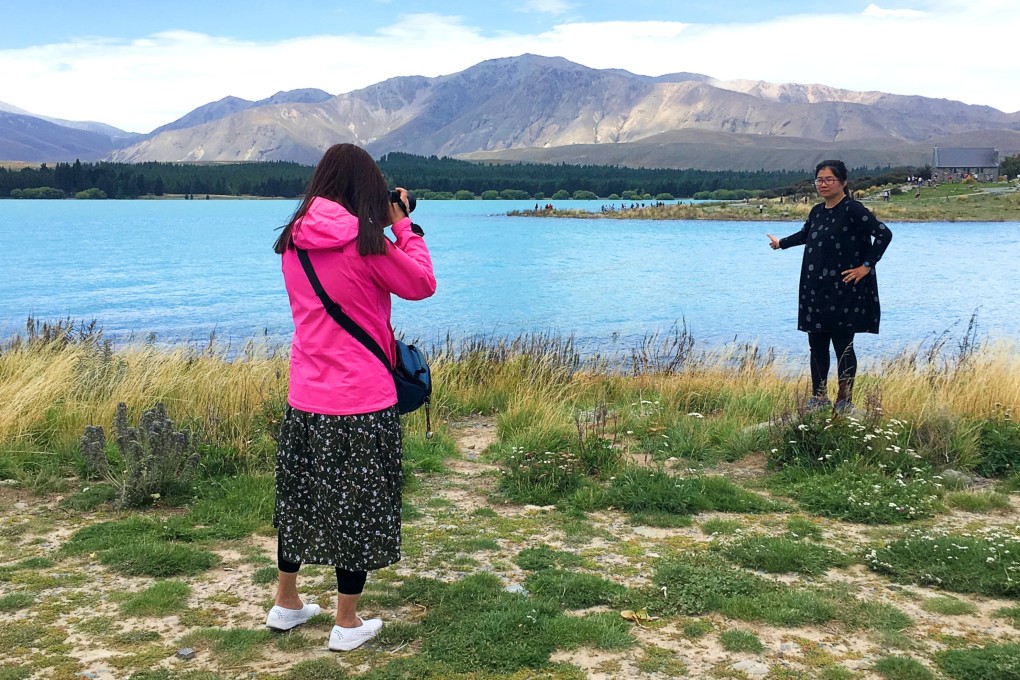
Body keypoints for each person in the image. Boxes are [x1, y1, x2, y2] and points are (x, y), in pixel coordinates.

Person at [268, 143, 436, 650]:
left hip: (305, 395)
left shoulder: (292, 240)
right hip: (362, 400)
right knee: (358, 507)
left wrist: (377, 226)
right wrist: (403, 224)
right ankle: (346, 623)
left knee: (299, 498)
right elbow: (422, 283)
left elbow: (339, 271)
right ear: (365, 188)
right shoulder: (370, 243)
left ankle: (287, 602)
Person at [767, 160, 892, 414]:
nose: (823, 184)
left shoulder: (853, 209)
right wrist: (781, 243)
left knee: (843, 345)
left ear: (843, 182)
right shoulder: (817, 211)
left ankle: (844, 401)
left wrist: (866, 266)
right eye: (819, 180)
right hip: (815, 290)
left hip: (844, 291)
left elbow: (883, 234)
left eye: (829, 179)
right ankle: (819, 398)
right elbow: (806, 234)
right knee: (817, 344)